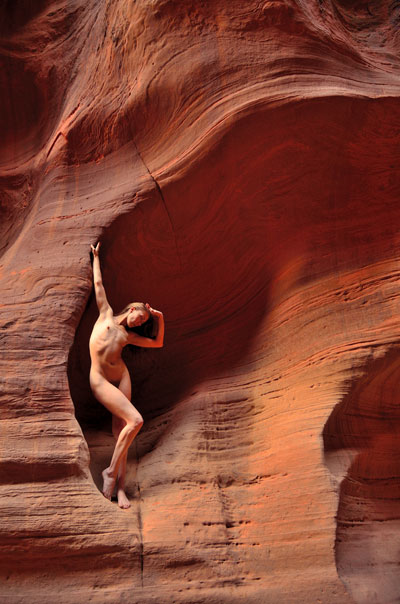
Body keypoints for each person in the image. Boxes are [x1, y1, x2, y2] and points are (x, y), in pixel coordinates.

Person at [89, 242, 164, 508]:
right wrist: (96, 257)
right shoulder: (106, 315)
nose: (140, 322)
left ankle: (120, 488)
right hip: (99, 378)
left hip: (121, 376)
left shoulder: (128, 336)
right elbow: (98, 285)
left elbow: (157, 343)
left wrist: (159, 317)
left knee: (123, 430)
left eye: (143, 322)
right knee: (135, 421)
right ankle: (110, 473)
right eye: (140, 318)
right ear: (132, 309)